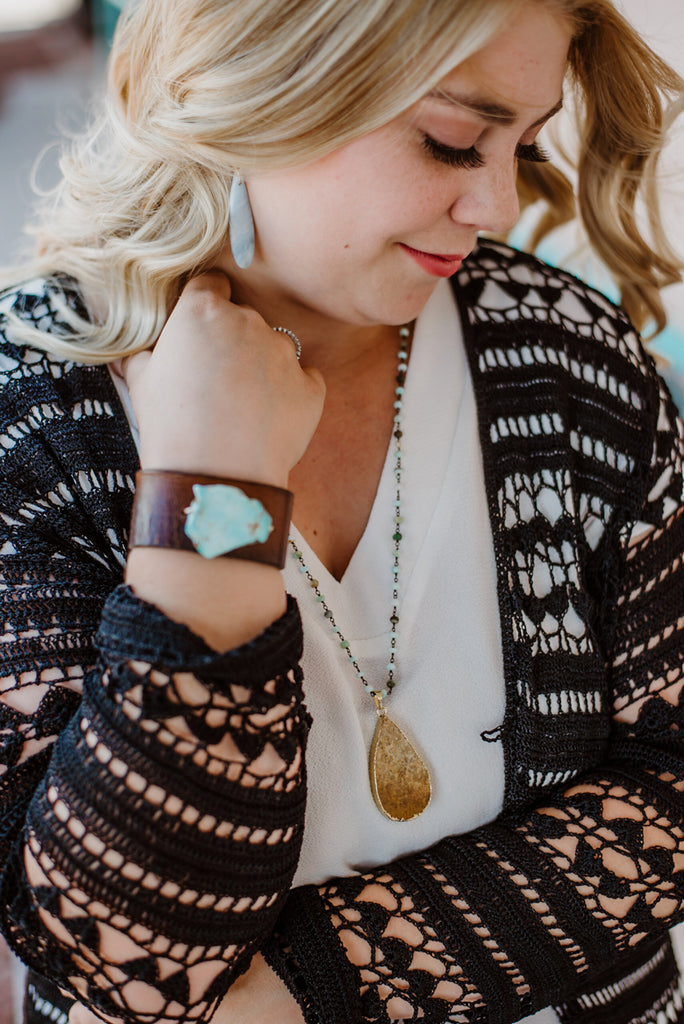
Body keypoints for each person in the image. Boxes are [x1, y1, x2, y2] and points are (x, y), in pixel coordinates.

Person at [0, 0, 683, 1022]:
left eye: (523, 148)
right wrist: (213, 496)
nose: (496, 202)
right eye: (453, 141)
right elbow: (115, 953)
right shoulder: (34, 418)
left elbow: (666, 784)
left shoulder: (567, 357)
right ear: (262, 84)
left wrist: (314, 992)